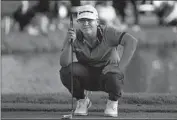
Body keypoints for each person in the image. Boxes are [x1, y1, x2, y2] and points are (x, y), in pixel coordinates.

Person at [59, 5, 137, 117]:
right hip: (87, 76)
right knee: (66, 71)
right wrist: (68, 43)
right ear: (78, 22)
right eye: (82, 20)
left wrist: (119, 67)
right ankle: (82, 101)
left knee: (115, 74)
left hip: (107, 75)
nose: (85, 23)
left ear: (97, 21)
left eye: (89, 20)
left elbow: (131, 41)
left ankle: (112, 102)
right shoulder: (74, 35)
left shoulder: (108, 32)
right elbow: (64, 64)